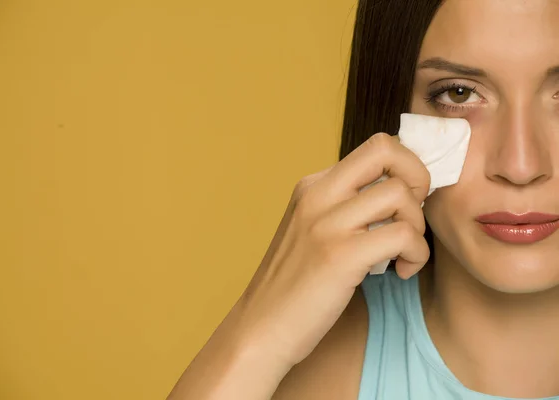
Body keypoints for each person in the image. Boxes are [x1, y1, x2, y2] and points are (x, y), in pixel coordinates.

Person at [167, 0, 559, 398]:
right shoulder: (320, 369)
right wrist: (259, 334)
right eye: (459, 94)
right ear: (392, 109)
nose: (521, 166)